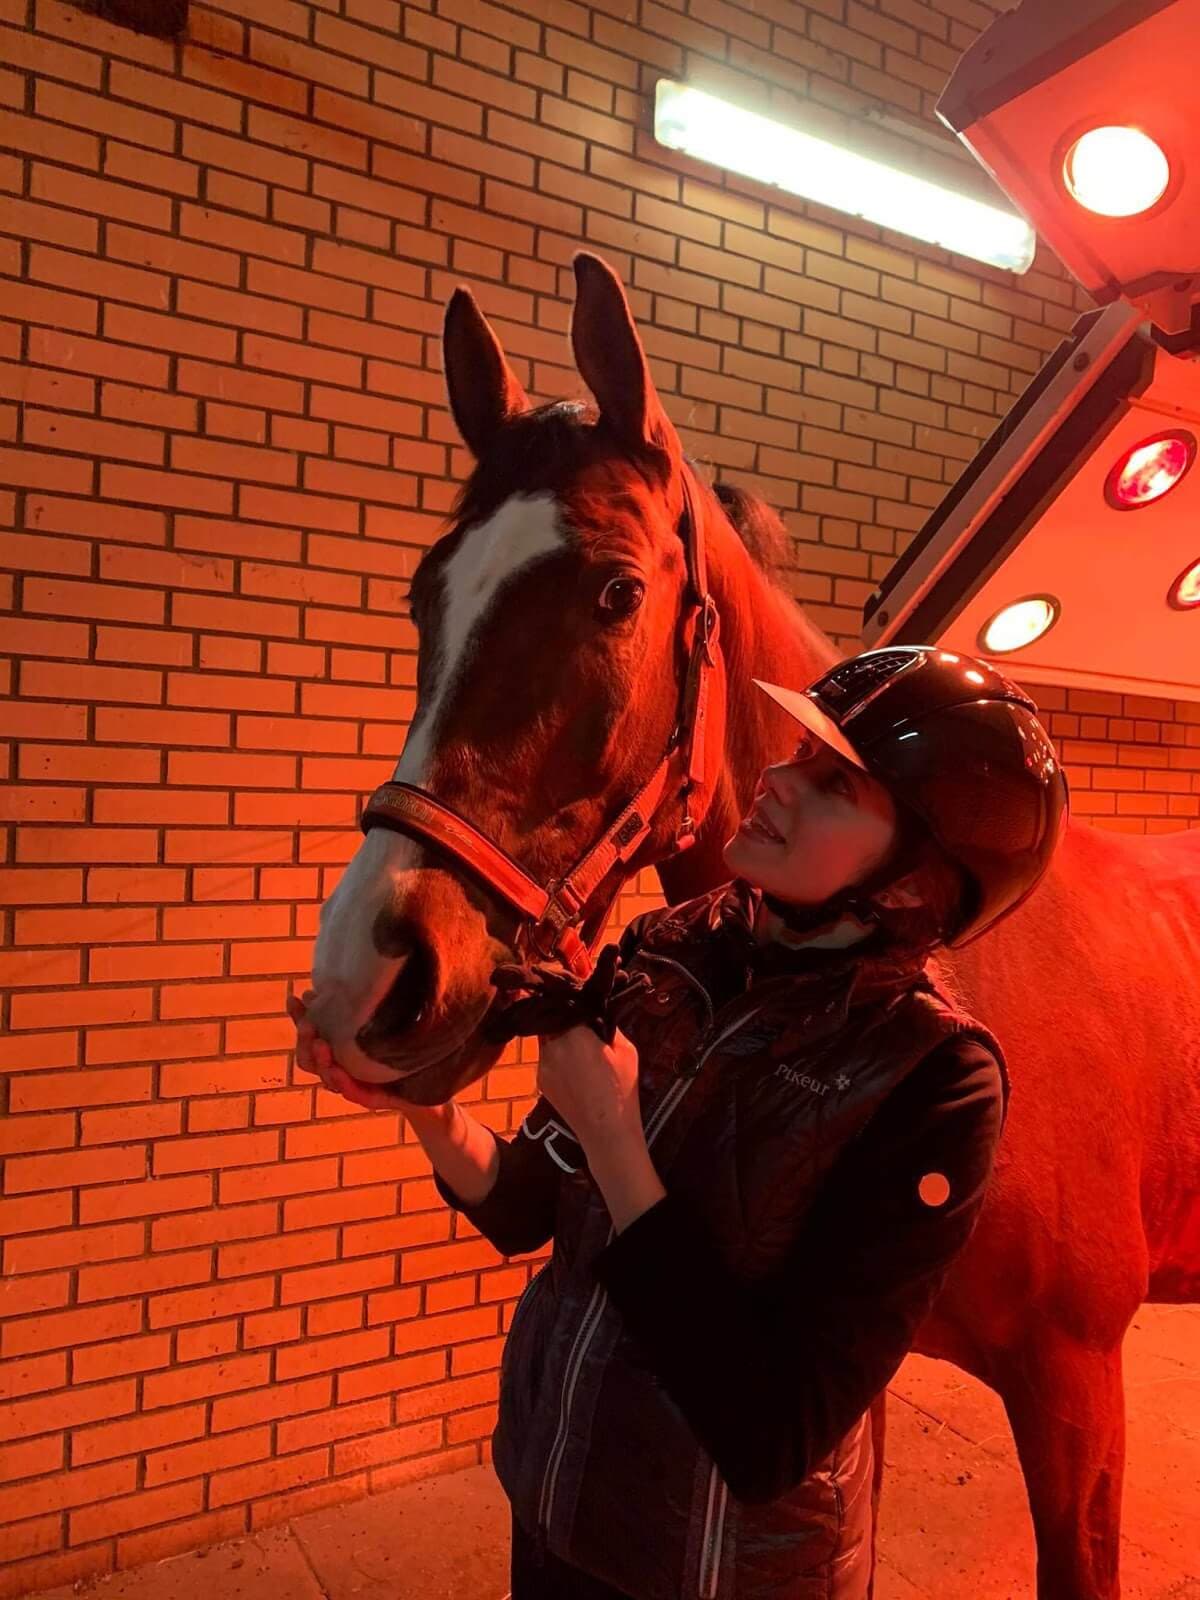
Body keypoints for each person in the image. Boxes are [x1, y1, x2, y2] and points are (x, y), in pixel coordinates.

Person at [290, 645, 1069, 1600]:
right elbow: (531, 1202)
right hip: (558, 1502)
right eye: (795, 754)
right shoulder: (671, 947)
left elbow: (774, 1429)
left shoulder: (935, 1078)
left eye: (833, 785)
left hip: (719, 1571)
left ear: (912, 885)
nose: (777, 781)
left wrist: (619, 1140)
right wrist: (426, 1109)